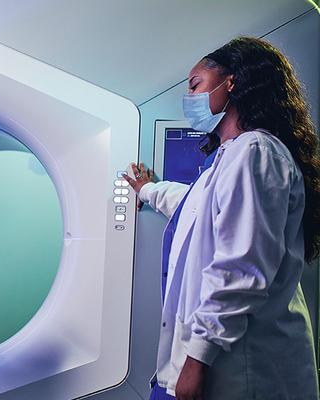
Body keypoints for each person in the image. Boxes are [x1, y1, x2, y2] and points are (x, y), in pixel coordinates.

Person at [124, 37, 320, 399]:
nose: (190, 97)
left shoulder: (255, 152)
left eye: (196, 84)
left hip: (240, 367)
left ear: (232, 82)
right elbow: (194, 206)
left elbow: (241, 269)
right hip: (215, 359)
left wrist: (196, 361)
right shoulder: (231, 157)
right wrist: (147, 189)